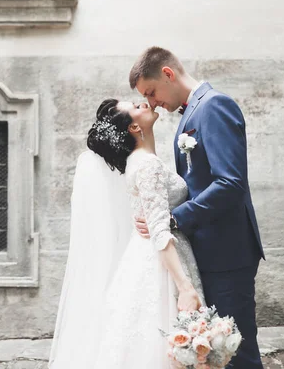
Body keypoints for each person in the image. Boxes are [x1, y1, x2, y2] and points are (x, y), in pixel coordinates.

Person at [130, 46, 265, 368]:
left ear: (168, 73)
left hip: (227, 252)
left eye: (151, 92)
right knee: (215, 351)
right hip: (206, 250)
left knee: (236, 349)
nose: (151, 103)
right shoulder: (189, 115)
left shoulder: (215, 106)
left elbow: (230, 183)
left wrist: (173, 219)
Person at [50, 98, 204, 369]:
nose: (144, 103)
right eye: (136, 106)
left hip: (143, 258)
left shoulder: (137, 161)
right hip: (162, 264)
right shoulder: (148, 165)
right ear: (134, 127)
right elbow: (158, 231)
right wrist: (185, 287)